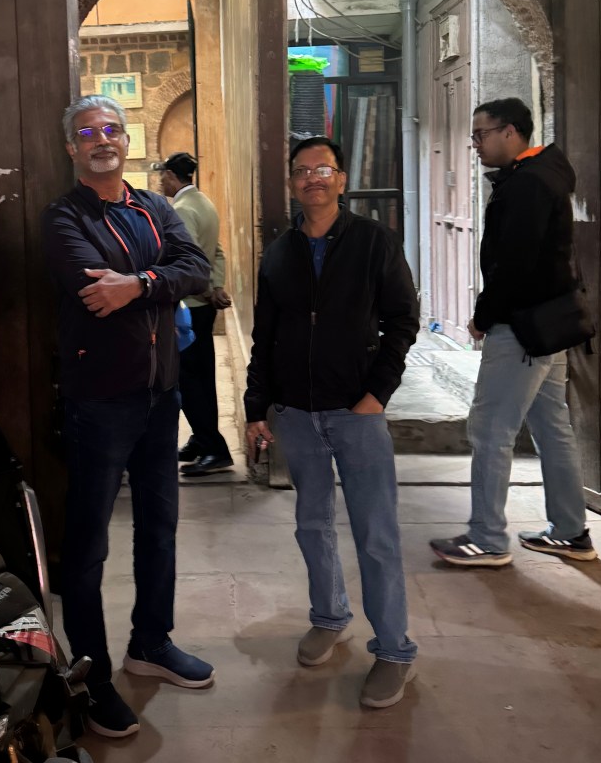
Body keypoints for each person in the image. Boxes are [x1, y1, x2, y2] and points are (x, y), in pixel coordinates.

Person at [41, 95, 214, 739]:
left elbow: (196, 269)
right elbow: (93, 288)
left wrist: (137, 285)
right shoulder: (63, 216)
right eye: (88, 132)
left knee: (159, 527)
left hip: (160, 394)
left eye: (111, 129)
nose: (102, 139)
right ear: (72, 147)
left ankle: (152, 642)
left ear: (126, 140)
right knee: (88, 546)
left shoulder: (155, 207)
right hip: (99, 401)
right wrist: (155, 278)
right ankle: (93, 676)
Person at [244, 136, 420, 709]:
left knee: (375, 533)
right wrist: (256, 407)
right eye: (302, 170)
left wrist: (377, 394)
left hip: (356, 411)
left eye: (323, 169)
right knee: (311, 524)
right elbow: (265, 335)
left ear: (341, 180)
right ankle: (329, 615)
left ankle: (394, 649)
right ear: (292, 183)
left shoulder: (373, 242)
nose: (312, 178)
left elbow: (402, 320)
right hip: (296, 412)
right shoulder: (279, 253)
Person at [430, 98, 596, 567]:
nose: (475, 144)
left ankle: (486, 538)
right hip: (547, 324)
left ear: (510, 132)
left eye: (480, 134)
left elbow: (514, 265)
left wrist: (484, 316)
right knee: (552, 427)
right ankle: (571, 532)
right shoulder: (543, 175)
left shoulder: (528, 184)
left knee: (490, 429)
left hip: (522, 327)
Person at [156, 151, 234, 476]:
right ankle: (202, 441)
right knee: (202, 377)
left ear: (172, 176)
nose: (161, 181)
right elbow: (217, 252)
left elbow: (188, 261)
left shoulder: (183, 210)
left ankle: (214, 448)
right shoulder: (204, 203)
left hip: (189, 308)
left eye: (163, 175)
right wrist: (216, 287)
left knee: (188, 381)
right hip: (203, 306)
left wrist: (204, 290)